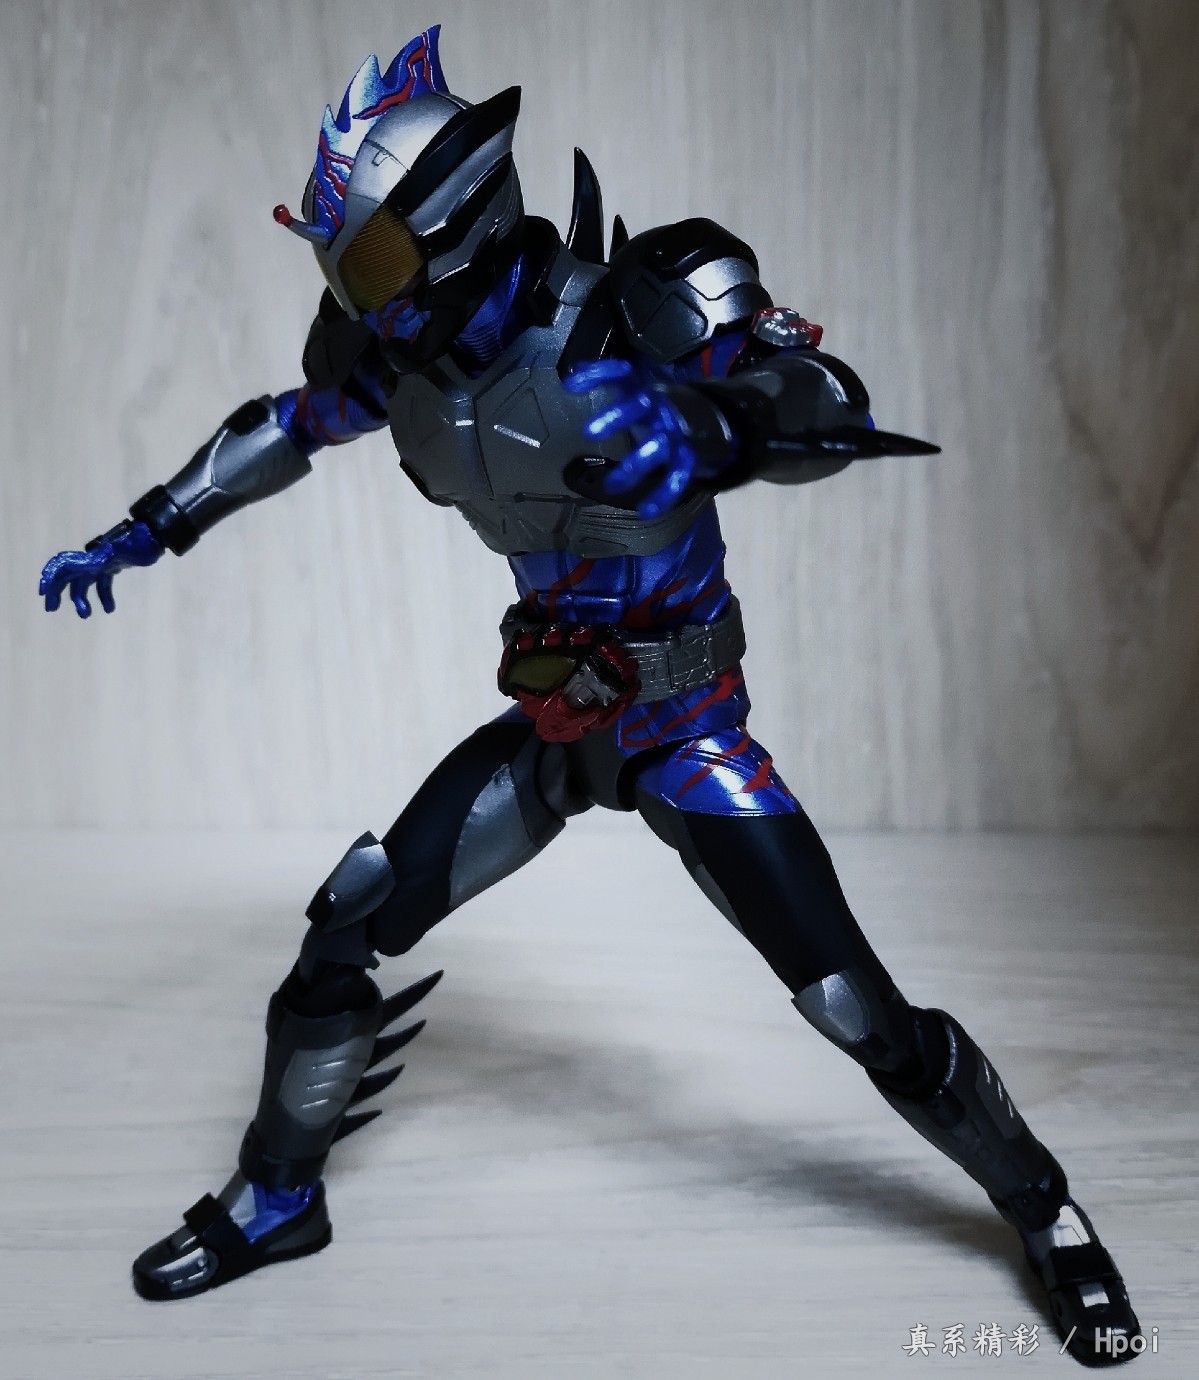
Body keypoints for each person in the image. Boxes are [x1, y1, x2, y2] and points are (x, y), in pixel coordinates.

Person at [39, 27, 1139, 1366]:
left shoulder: (640, 312)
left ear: (452, 222)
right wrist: (149, 526)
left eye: (369, 259)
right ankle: (277, 1200)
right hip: (558, 727)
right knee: (347, 927)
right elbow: (291, 421)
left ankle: (1042, 1204)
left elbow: (826, 399)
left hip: (685, 733)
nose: (355, 295)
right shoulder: (399, 359)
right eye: (339, 264)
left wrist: (720, 425)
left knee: (855, 1008)